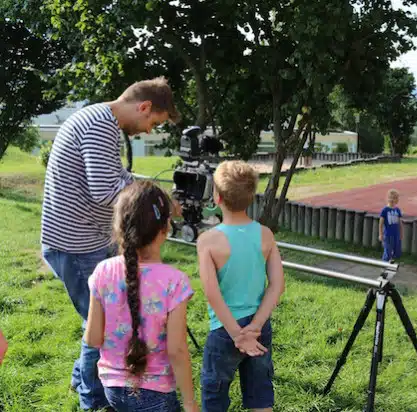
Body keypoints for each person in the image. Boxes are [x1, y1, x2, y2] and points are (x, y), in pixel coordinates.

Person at [40, 77, 181, 410]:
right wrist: (158, 198)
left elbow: (115, 180)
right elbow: (106, 191)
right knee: (100, 327)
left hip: (86, 240)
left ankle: (83, 380)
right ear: (144, 106)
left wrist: (150, 191)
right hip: (75, 246)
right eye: (152, 122)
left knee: (99, 317)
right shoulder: (101, 125)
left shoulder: (100, 120)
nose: (148, 130)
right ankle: (94, 400)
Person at [84, 180, 198, 411]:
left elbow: (93, 339)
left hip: (113, 389)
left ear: (120, 226)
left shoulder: (103, 272)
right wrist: (190, 402)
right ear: (166, 227)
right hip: (157, 394)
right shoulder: (174, 281)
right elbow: (177, 350)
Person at [196, 160, 285, 412]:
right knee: (260, 395)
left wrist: (238, 334)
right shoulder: (266, 234)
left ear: (218, 197)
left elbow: (212, 294)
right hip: (259, 329)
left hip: (225, 331)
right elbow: (277, 285)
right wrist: (254, 327)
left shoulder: (208, 241)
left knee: (215, 396)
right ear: (251, 196)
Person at [379, 189, 403, 262]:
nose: (392, 200)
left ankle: (391, 262)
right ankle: (384, 264)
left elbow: (400, 223)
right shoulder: (385, 210)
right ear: (387, 199)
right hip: (388, 235)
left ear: (397, 200)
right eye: (390, 198)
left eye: (394, 198)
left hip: (396, 234)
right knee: (388, 251)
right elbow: (381, 223)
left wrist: (401, 233)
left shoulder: (397, 210)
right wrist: (380, 234)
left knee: (396, 250)